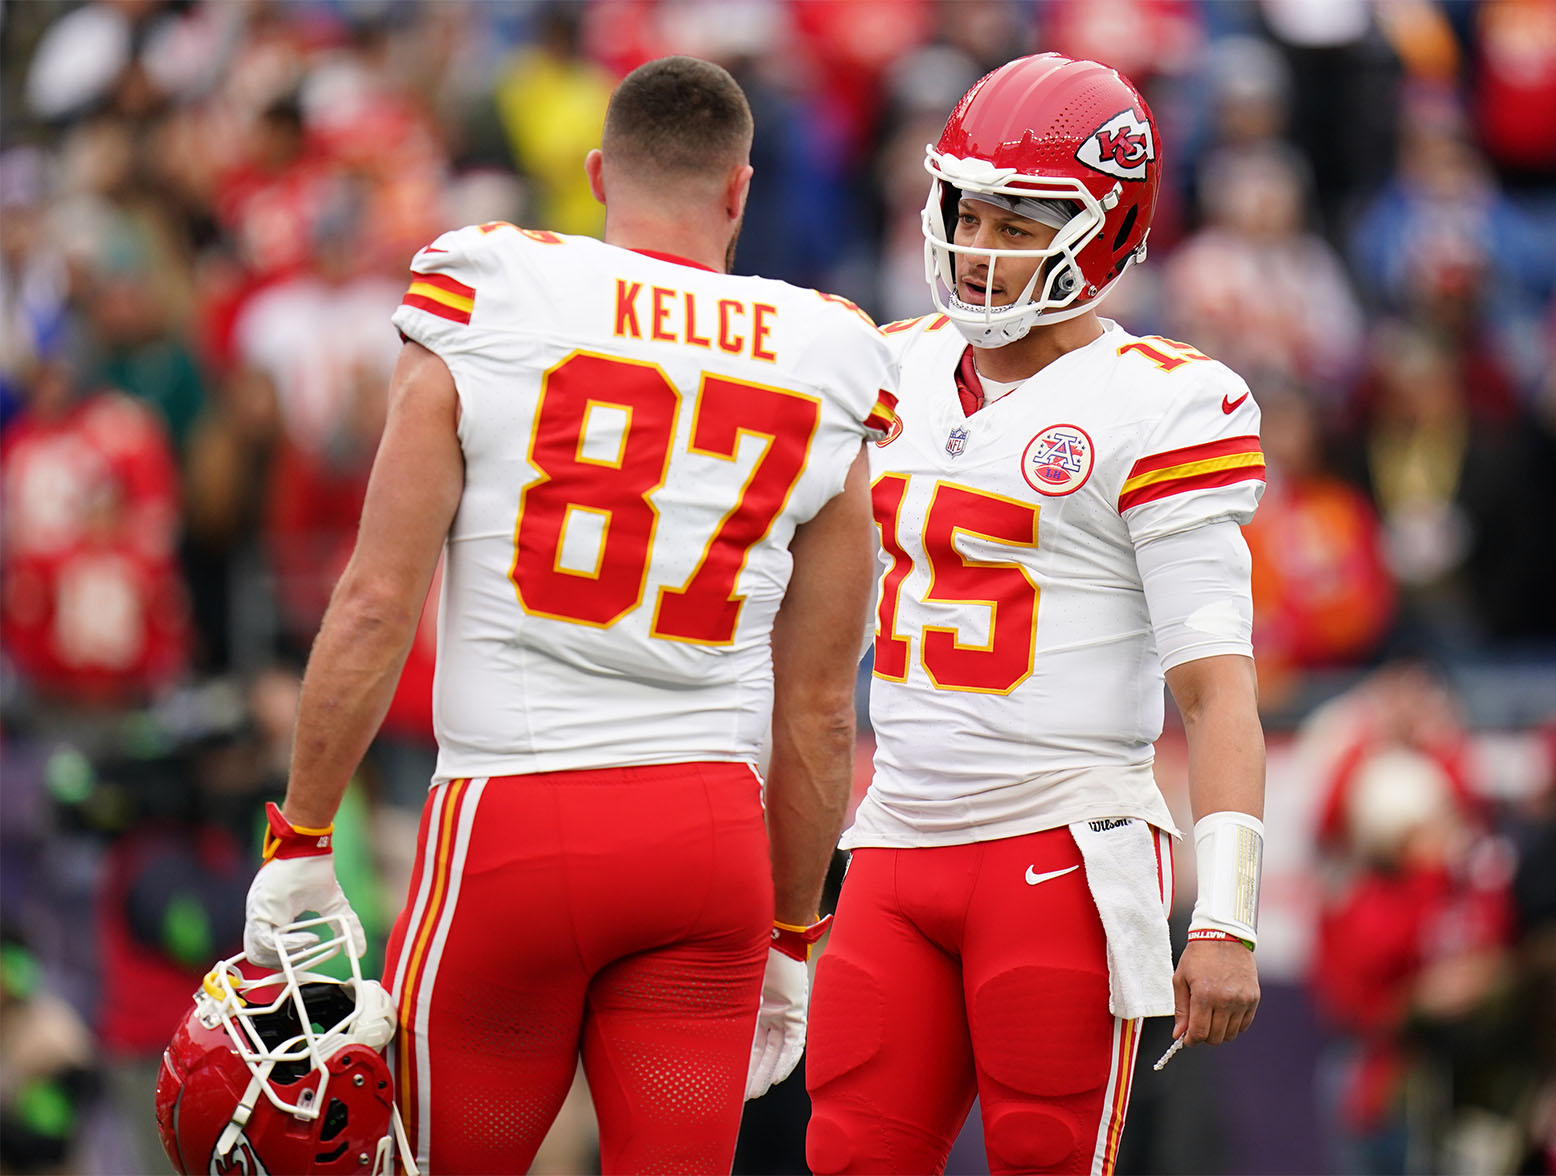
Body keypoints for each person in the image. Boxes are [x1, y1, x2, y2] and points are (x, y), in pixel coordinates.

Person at [239, 56, 896, 1175]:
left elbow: (373, 603)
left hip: (512, 822)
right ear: (738, 192)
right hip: (707, 846)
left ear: (597, 176)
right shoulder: (828, 349)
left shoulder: (489, 287)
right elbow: (821, 709)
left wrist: (303, 835)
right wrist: (792, 930)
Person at [805, 53, 1267, 1175]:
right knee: (850, 1155)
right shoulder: (883, 366)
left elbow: (1213, 691)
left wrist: (1228, 913)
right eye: (965, 206)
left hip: (1061, 847)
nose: (979, 242)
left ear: (1105, 228)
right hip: (895, 839)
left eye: (1020, 219)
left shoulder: (1161, 401)